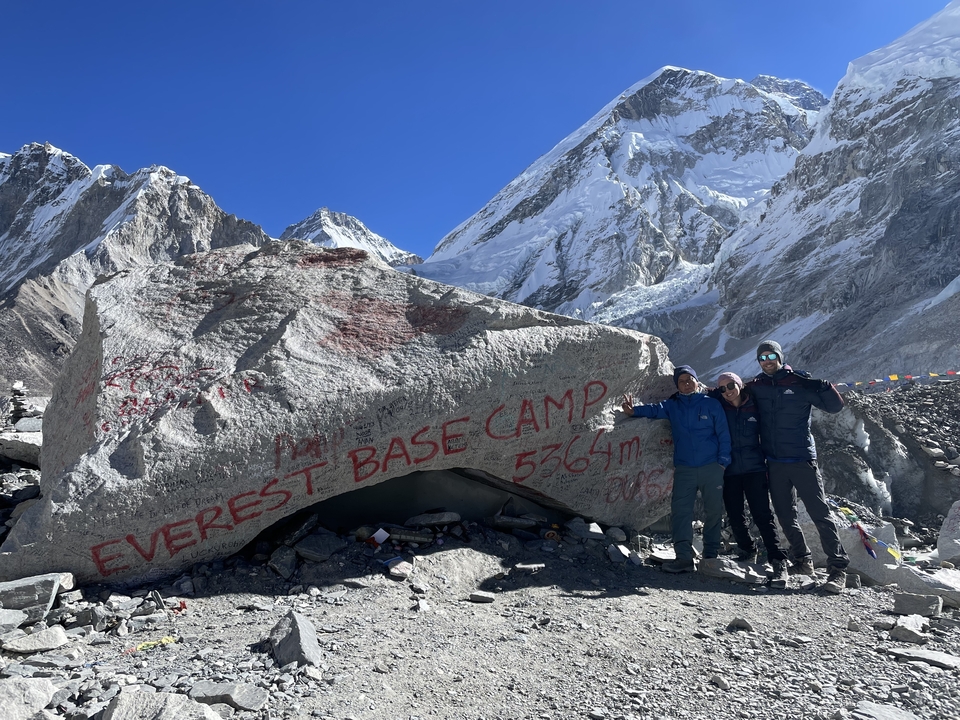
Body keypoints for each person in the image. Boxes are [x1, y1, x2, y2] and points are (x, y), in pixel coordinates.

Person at [744, 340, 849, 594]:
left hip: (802, 459)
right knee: (785, 515)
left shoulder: (799, 382)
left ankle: (838, 569)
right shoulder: (757, 387)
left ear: (780, 357)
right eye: (762, 357)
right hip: (775, 461)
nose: (767, 361)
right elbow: (734, 396)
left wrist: (825, 387)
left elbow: (835, 407)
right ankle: (803, 561)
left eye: (771, 356)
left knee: (819, 513)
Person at [621, 365, 731, 573]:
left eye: (690, 379)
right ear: (677, 385)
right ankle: (683, 558)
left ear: (697, 381)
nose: (687, 383)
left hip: (711, 467)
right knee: (681, 512)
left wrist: (723, 462)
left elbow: (723, 434)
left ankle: (711, 556)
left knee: (714, 512)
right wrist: (634, 411)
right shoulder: (673, 405)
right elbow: (654, 410)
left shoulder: (711, 404)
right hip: (685, 468)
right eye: (682, 381)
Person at [708, 371, 789, 589]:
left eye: (731, 385)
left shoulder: (755, 405)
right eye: (722, 388)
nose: (727, 391)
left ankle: (778, 560)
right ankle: (747, 550)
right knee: (735, 514)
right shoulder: (718, 405)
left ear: (740, 384)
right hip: (729, 468)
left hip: (755, 468)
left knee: (762, 514)